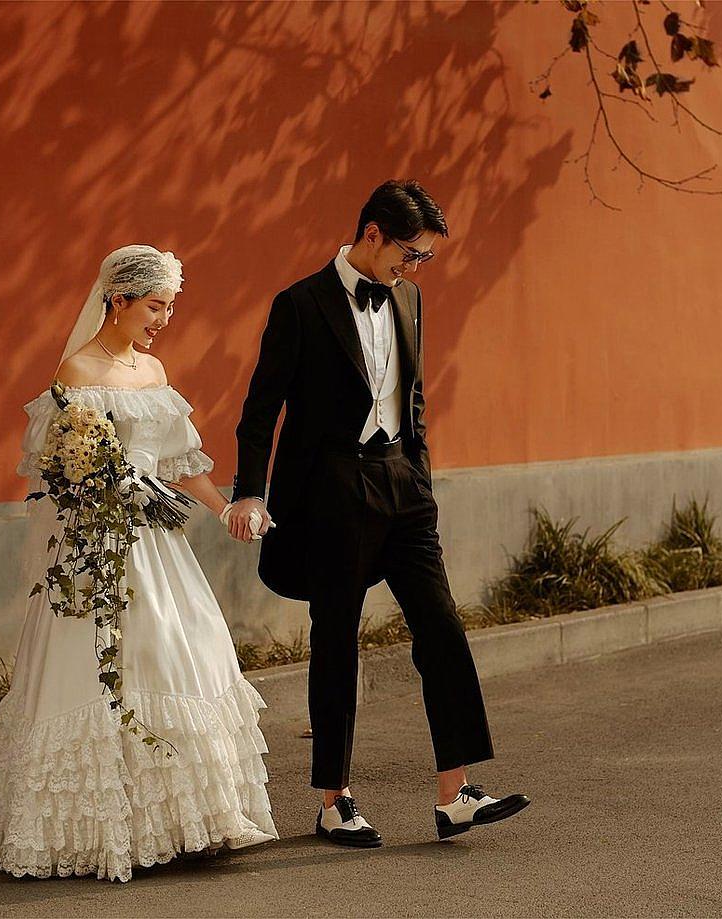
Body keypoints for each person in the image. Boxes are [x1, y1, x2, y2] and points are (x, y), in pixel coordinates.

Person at [226, 181, 530, 847]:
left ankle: (455, 793)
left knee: (442, 627)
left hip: (403, 485)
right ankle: (333, 800)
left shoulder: (409, 297)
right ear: (372, 234)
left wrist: (421, 475)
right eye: (411, 254)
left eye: (424, 257)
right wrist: (249, 492)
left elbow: (411, 396)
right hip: (332, 489)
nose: (416, 267)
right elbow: (261, 408)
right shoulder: (300, 304)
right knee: (337, 638)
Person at [0, 245, 277, 882]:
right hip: (99, 542)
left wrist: (226, 509)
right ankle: (99, 832)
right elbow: (58, 468)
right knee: (100, 667)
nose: (164, 320)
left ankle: (190, 821)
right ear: (117, 301)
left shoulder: (154, 370)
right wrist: (103, 488)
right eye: (154, 307)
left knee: (185, 645)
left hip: (156, 542)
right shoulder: (78, 370)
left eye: (169, 307)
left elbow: (181, 462)